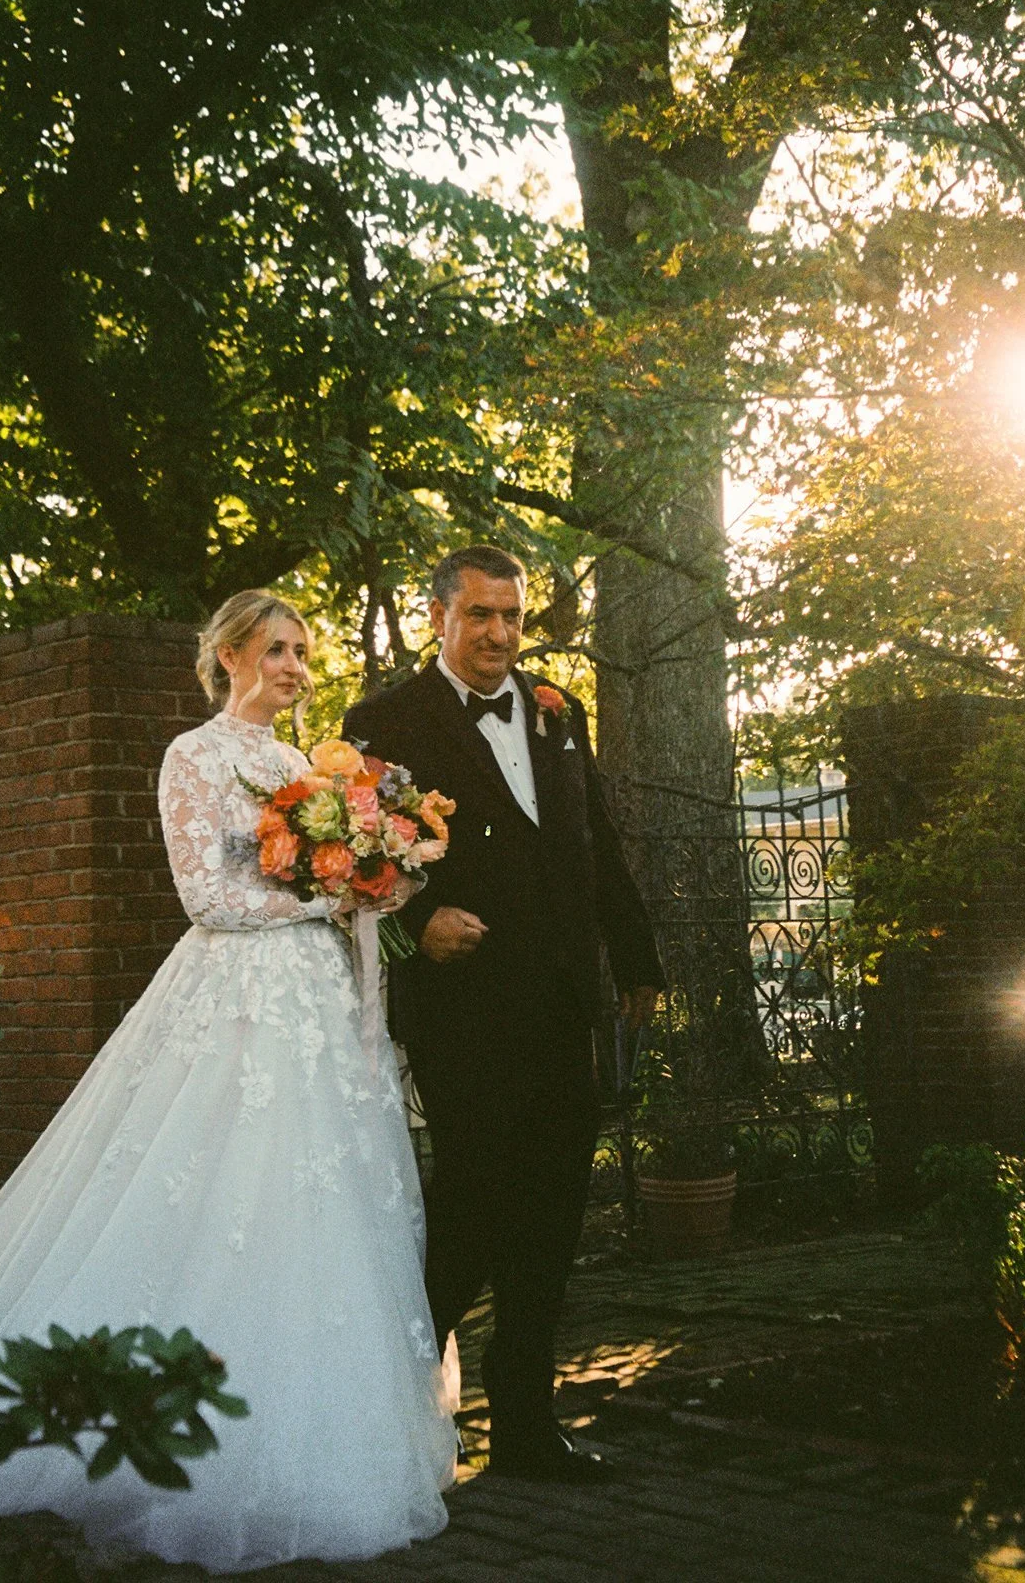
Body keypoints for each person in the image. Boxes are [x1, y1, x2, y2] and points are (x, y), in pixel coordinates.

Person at [0, 590, 456, 1572]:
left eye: (302, 651)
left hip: (318, 1009)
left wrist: (372, 881)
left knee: (321, 1210)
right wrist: (321, 894)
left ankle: (318, 1434)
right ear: (230, 654)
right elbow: (203, 895)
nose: (293, 666)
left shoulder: (305, 767)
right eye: (277, 649)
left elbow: (335, 886)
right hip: (236, 999)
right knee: (224, 1194)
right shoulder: (193, 757)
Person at [343, 546, 664, 1483]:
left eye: (511, 618)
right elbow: (350, 865)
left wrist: (636, 955)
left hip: (563, 1001)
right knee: (472, 1207)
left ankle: (524, 1423)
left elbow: (593, 839)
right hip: (464, 1007)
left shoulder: (560, 710)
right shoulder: (380, 721)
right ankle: (395, 1416)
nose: (497, 635)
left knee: (552, 1215)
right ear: (436, 615)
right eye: (478, 615)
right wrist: (413, 918)